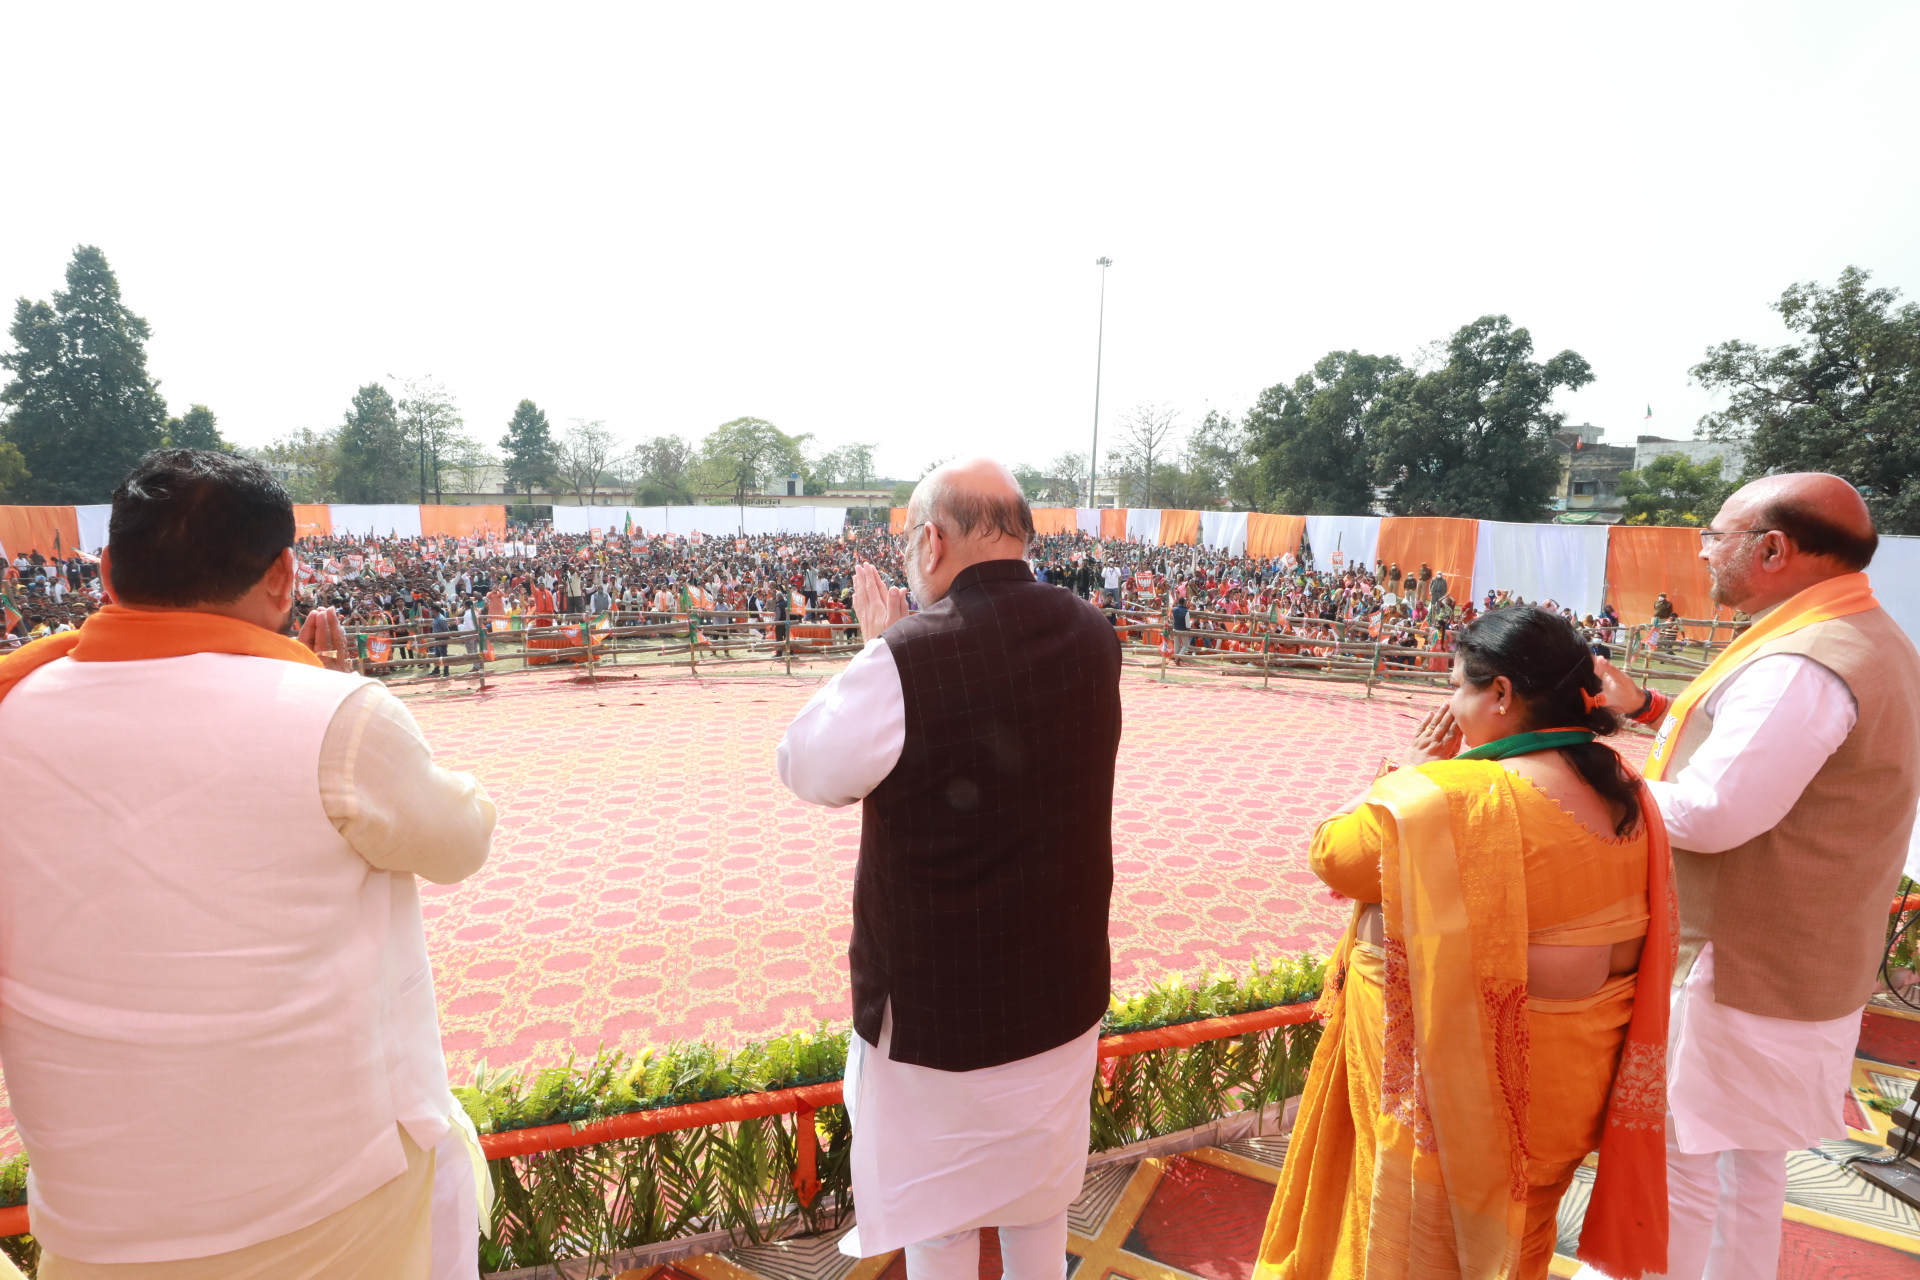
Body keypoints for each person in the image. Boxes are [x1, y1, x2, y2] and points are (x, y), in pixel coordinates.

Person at [0, 450, 496, 1277]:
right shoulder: (338, 719)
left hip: (98, 1222)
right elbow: (460, 840)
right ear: (283, 577)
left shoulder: (11, 712)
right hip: (332, 1208)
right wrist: (335, 694)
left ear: (107, 572)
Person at [777, 458, 1121, 1280]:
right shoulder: (1092, 632)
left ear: (931, 540)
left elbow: (807, 767)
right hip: (1059, 995)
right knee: (1038, 1207)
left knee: (940, 1223)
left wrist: (880, 647)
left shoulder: (906, 657)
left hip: (939, 1015)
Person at [1258, 604, 1672, 1280]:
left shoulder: (1450, 794)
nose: (1451, 702)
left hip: (1467, 1092)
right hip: (1569, 1087)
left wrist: (1404, 772)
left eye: (1457, 686)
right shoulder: (1624, 782)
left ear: (1501, 693)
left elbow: (1336, 857)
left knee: (1413, 1244)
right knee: (1516, 1240)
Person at [1583, 473, 1920, 1280]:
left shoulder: (1805, 660)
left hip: (1739, 967)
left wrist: (1578, 778)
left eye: (1715, 533)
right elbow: (1772, 762)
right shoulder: (1856, 634)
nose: (1702, 549)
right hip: (1799, 963)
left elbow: (1714, 813)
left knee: (1682, 1165)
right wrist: (1650, 711)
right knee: (1745, 1166)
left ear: (1773, 549)